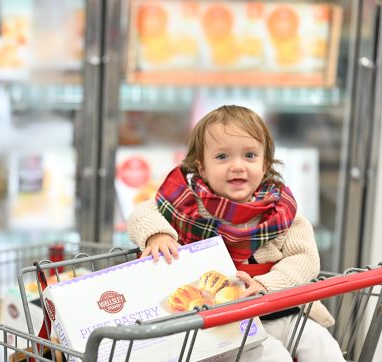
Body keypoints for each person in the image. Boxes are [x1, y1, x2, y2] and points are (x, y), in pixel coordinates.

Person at [127, 105, 344, 361]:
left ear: (265, 165)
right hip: (229, 324)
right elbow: (142, 213)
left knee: (323, 346)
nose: (238, 166)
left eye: (250, 155)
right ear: (202, 168)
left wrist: (266, 284)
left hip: (283, 309)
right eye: (222, 157)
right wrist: (158, 235)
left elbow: (304, 259)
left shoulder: (281, 210)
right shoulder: (186, 205)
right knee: (273, 357)